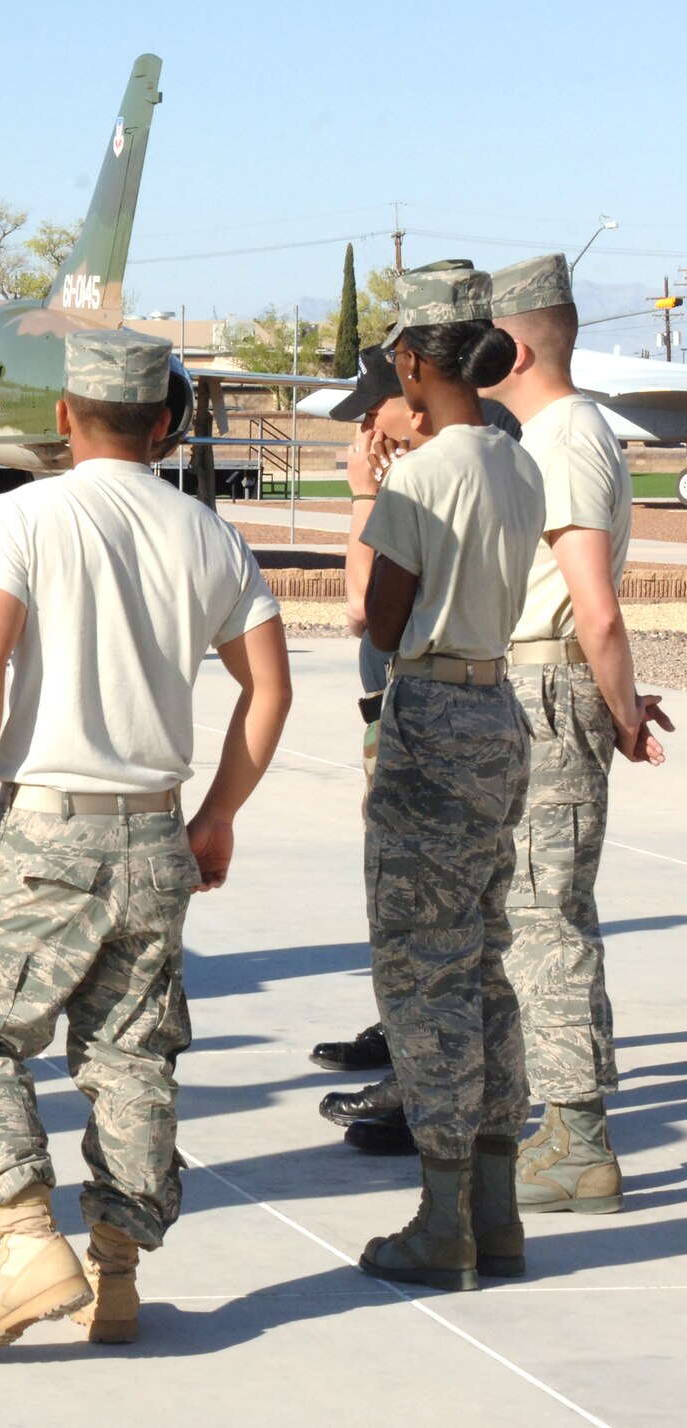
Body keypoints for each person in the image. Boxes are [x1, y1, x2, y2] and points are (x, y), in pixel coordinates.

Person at [0, 330, 290, 1359]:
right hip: (155, 828)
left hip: (47, 825)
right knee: (131, 1055)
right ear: (166, 424)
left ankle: (27, 1241)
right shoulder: (205, 534)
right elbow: (267, 688)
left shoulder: (21, 516)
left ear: (62, 417)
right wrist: (216, 814)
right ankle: (114, 1277)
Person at [348, 262, 545, 1291]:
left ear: (415, 359)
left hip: (427, 712)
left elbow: (378, 622)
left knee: (422, 971)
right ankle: (495, 1208)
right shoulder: (515, 464)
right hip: (497, 707)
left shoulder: (421, 478)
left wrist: (372, 493)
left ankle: (440, 1221)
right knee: (482, 962)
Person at [483, 253, 670, 1215]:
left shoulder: (564, 439)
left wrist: (624, 705)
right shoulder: (554, 433)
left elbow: (595, 609)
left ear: (509, 345)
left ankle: (579, 1137)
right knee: (534, 910)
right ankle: (558, 1120)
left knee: (545, 915)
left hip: (545, 690)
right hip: (542, 688)